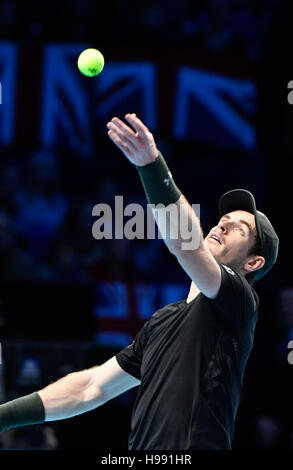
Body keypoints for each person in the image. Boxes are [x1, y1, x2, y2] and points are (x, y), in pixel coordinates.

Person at [0, 114, 279, 450]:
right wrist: (4, 416)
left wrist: (152, 167)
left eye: (238, 229)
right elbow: (90, 388)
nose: (221, 227)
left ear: (253, 262)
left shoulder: (240, 300)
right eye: (222, 220)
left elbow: (185, 246)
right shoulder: (162, 322)